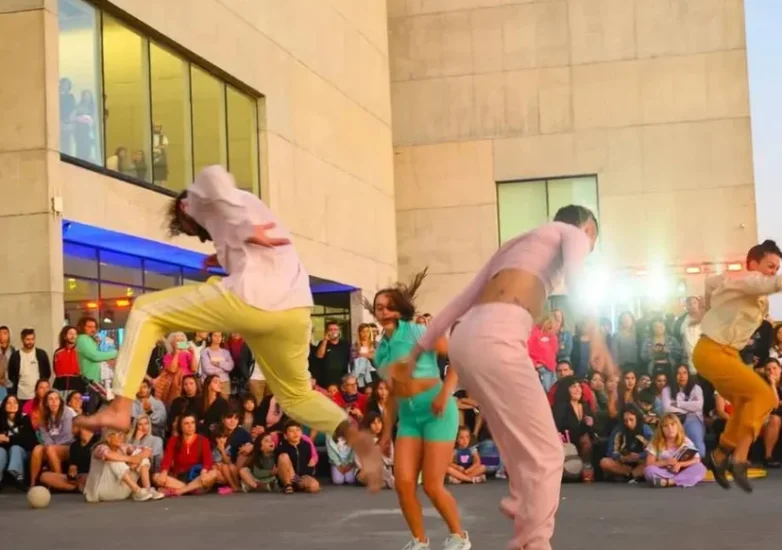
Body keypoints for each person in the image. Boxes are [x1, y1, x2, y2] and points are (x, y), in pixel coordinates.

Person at [73, 165, 382, 490]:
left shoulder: (201, 202)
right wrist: (223, 256)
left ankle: (120, 407)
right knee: (296, 396)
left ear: (185, 210)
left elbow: (215, 177)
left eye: (192, 231)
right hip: (295, 311)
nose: (200, 236)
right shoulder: (237, 221)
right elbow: (241, 237)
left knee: (146, 312)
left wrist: (241, 229)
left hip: (255, 301)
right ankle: (351, 432)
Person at [407, 205, 606, 550]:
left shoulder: (517, 243)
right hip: (497, 339)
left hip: (464, 341)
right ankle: (533, 541)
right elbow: (577, 279)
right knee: (549, 455)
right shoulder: (572, 234)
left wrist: (418, 350)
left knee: (518, 447)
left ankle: (522, 504)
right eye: (592, 246)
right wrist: (596, 333)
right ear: (587, 230)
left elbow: (460, 300)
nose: (587, 251)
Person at [694, 239, 782, 492]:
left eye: (776, 268)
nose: (773, 272)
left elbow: (710, 282)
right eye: (770, 266)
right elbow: (775, 283)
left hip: (726, 354)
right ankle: (739, 458)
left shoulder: (750, 291)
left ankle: (720, 455)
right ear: (753, 264)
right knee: (765, 397)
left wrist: (711, 306)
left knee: (746, 402)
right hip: (713, 351)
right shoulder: (749, 279)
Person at [369, 272, 470, 550]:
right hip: (409, 419)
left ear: (399, 310)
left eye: (389, 307)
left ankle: (459, 537)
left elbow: (456, 357)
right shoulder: (381, 351)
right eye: (379, 308)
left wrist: (445, 393)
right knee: (403, 483)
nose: (383, 312)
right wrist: (385, 433)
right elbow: (392, 394)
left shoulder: (417, 331)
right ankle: (419, 541)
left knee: (432, 485)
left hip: (437, 411)